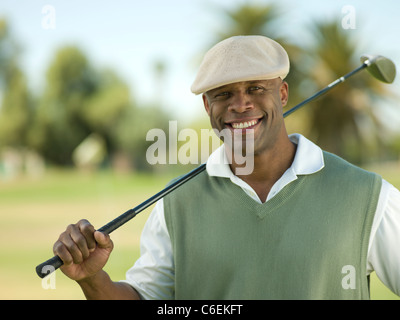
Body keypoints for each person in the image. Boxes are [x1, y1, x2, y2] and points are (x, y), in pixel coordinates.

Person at [53, 35, 400, 300]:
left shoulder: (367, 196)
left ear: (282, 94)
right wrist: (93, 280)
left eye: (255, 88)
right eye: (223, 94)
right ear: (207, 105)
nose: (240, 104)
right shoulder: (176, 204)